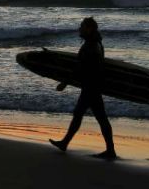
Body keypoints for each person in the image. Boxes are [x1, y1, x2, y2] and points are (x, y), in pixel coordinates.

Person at [49, 17, 116, 160]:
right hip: (93, 86)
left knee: (90, 116)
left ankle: (110, 151)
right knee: (91, 116)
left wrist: (64, 82)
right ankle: (65, 143)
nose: (79, 29)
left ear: (89, 28)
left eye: (82, 26)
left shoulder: (91, 46)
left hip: (91, 87)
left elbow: (79, 68)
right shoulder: (97, 43)